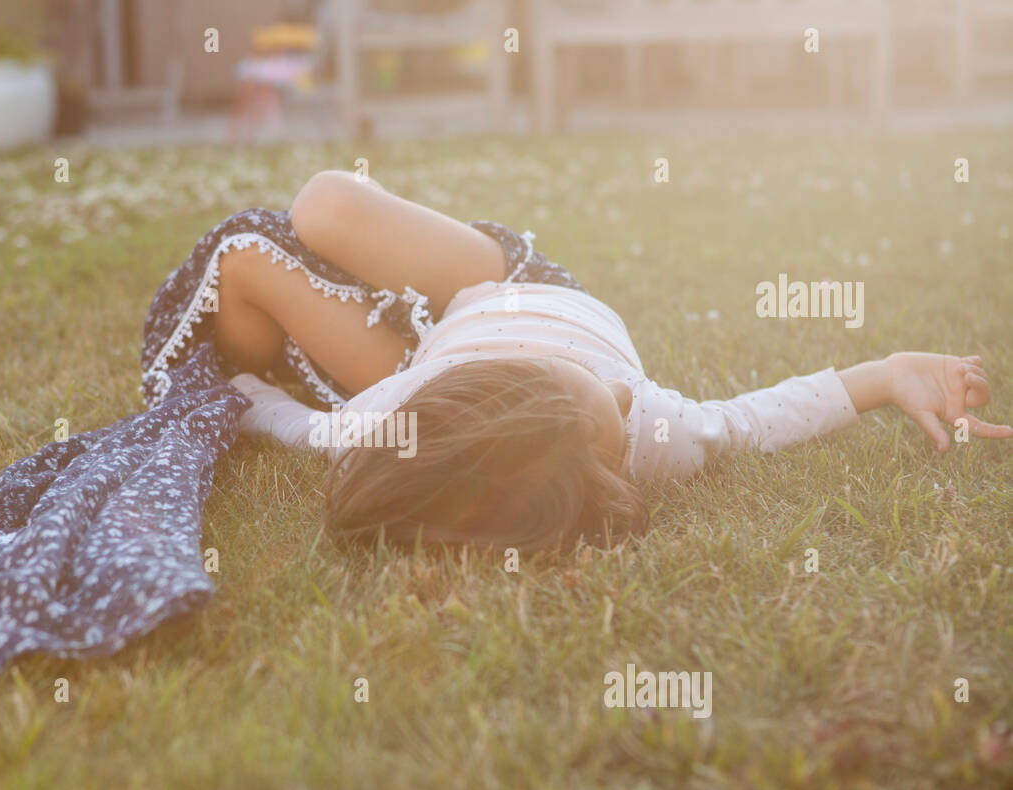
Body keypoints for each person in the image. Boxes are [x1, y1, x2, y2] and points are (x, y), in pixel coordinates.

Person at [209, 171, 1010, 551]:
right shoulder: (651, 431)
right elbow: (759, 418)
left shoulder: (388, 421)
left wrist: (235, 397)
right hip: (476, 312)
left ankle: (291, 321)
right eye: (616, 410)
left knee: (281, 238)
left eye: (609, 399)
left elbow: (304, 429)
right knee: (285, 240)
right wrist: (884, 374)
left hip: (464, 324)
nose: (629, 398)